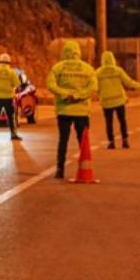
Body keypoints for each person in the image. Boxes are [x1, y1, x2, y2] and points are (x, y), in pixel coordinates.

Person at [46, 40, 97, 178]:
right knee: (83, 142)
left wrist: (65, 95)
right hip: (82, 111)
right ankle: (84, 168)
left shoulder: (58, 67)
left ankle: (60, 169)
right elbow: (93, 87)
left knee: (63, 140)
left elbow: (50, 85)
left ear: (64, 52)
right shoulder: (88, 68)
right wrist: (78, 96)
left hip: (64, 110)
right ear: (79, 51)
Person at [96, 51, 140, 149]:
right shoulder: (118, 71)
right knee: (122, 121)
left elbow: (94, 87)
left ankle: (111, 142)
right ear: (113, 59)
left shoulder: (98, 73)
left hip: (106, 101)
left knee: (109, 123)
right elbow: (129, 82)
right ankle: (125, 141)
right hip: (119, 100)